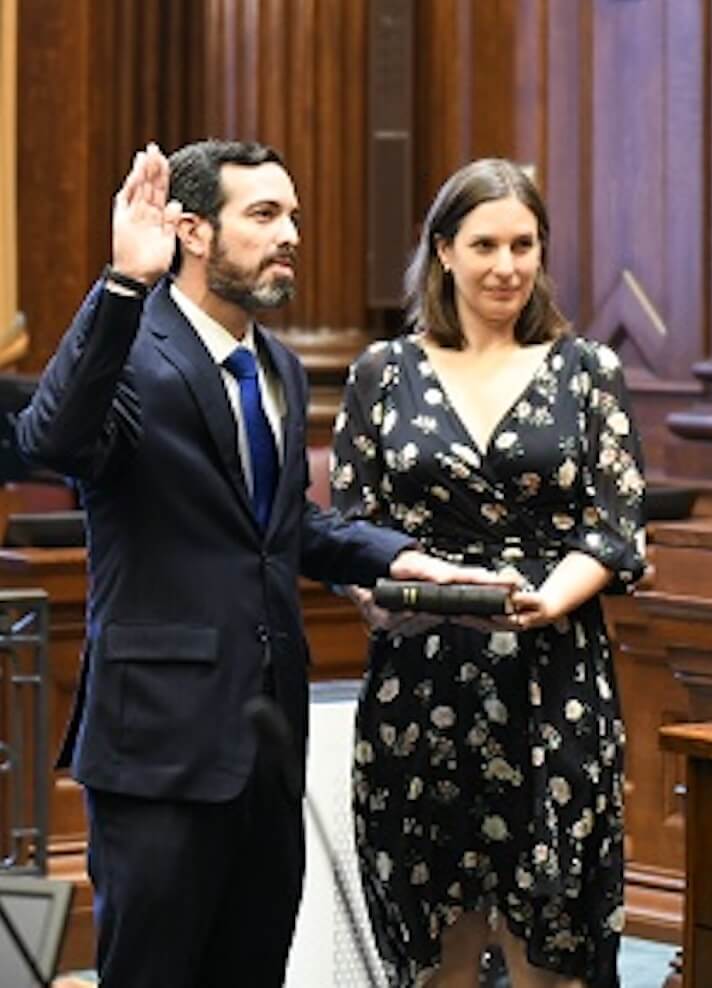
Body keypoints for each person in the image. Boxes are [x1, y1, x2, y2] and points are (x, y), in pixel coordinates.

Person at [18, 140, 487, 988]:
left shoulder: (273, 364)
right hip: (160, 746)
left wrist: (405, 559)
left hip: (268, 742)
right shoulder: (131, 343)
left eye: (293, 215)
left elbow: (279, 524)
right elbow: (53, 440)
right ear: (191, 231)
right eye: (265, 216)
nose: (291, 235)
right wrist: (123, 283)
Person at [330, 158, 646, 988]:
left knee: (553, 947)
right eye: (484, 245)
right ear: (443, 251)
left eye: (524, 244)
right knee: (437, 955)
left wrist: (547, 604)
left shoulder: (586, 371)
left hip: (555, 675)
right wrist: (380, 604)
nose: (506, 266)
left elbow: (615, 528)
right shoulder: (381, 372)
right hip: (420, 677)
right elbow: (349, 529)